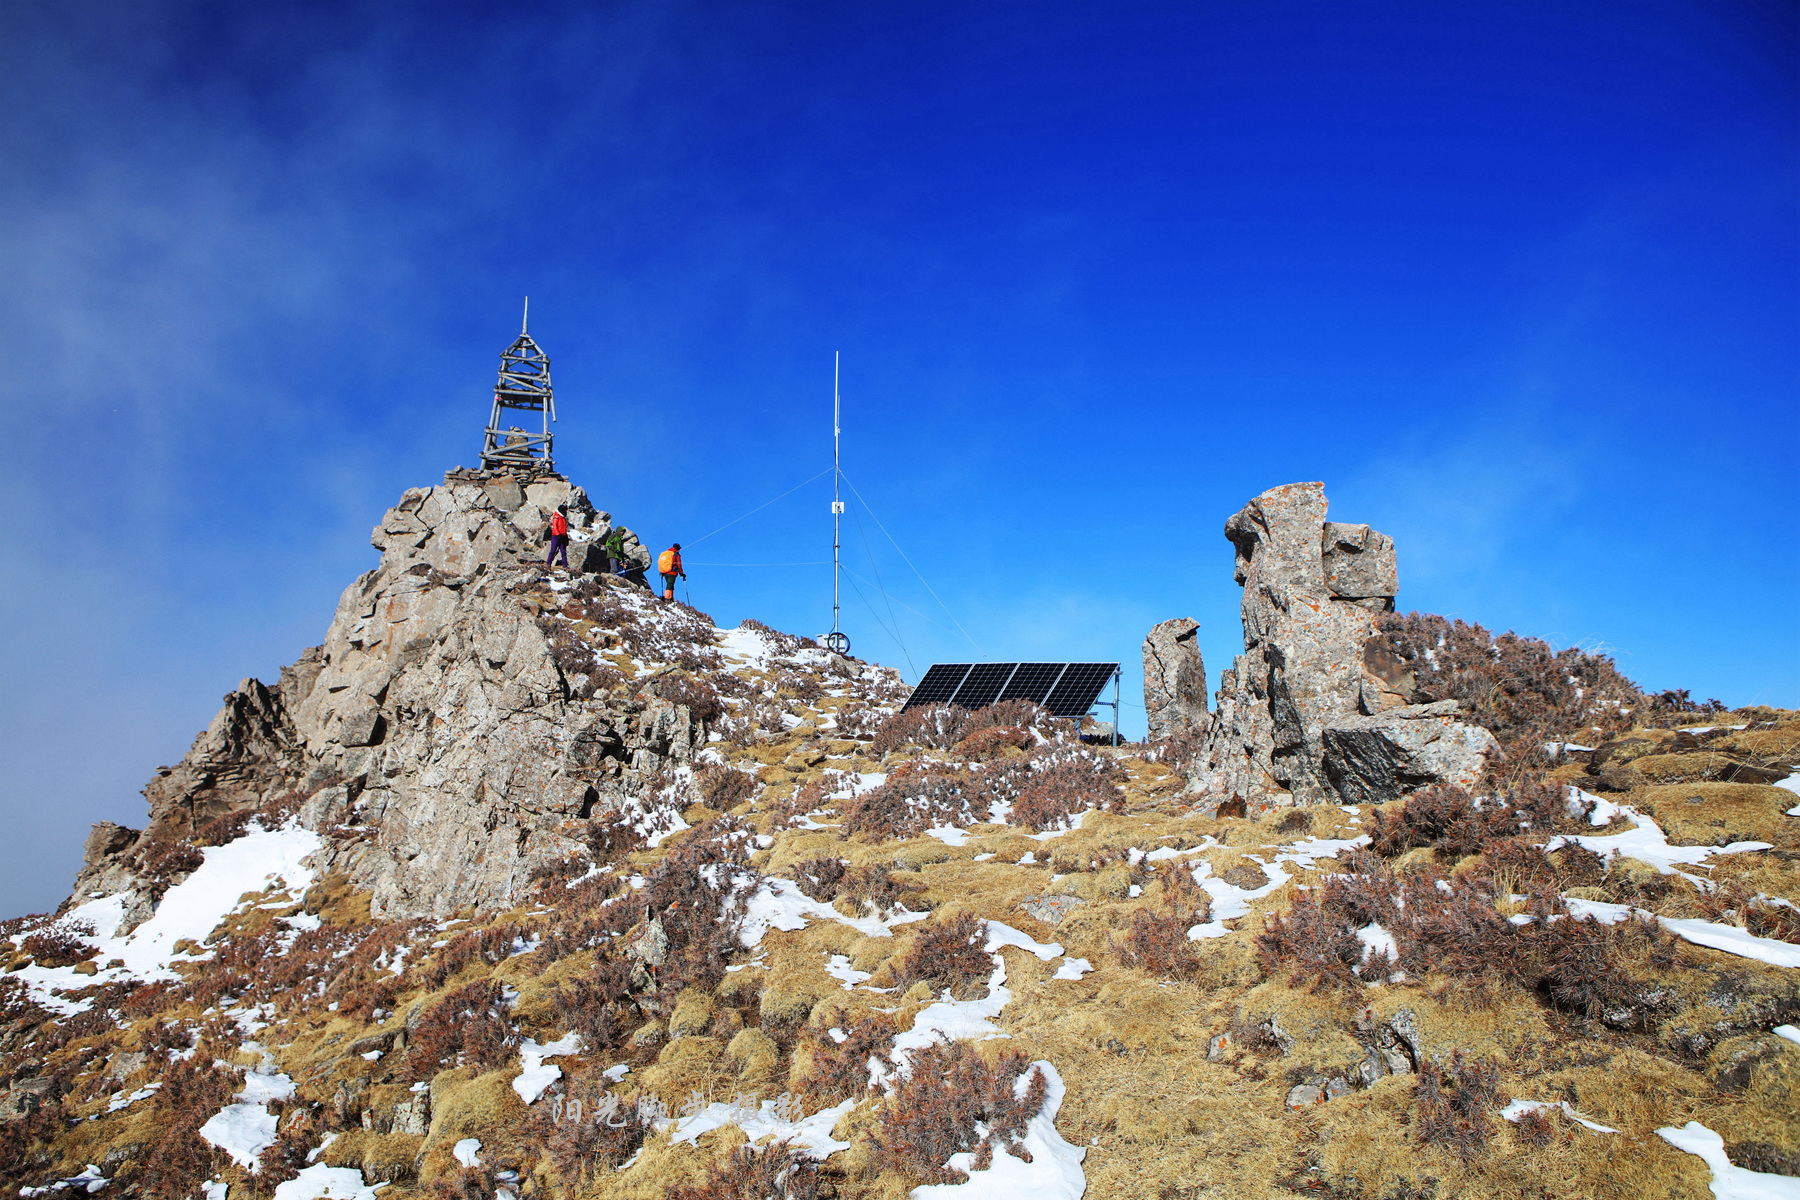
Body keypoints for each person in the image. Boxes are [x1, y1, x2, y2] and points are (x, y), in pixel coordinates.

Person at [546, 504, 570, 572]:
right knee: (553, 550)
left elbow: (564, 528)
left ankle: (565, 565)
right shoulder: (556, 516)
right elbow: (555, 526)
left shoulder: (563, 518)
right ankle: (548, 564)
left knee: (563, 552)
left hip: (562, 536)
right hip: (556, 536)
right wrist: (558, 534)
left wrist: (565, 536)